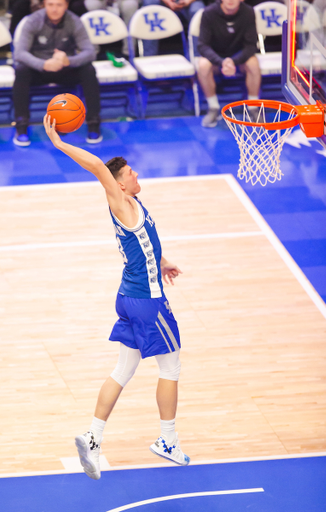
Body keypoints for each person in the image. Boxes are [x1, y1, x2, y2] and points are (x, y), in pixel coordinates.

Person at [43, 114, 190, 480]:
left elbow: (146, 244)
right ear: (119, 185)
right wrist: (59, 143)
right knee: (170, 367)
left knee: (123, 369)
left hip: (128, 295)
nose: (136, 175)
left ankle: (93, 436)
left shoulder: (134, 206)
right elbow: (96, 165)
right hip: (146, 301)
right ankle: (167, 440)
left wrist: (163, 262)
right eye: (130, 174)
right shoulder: (120, 203)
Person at [13, 0, 102, 147]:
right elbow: (20, 53)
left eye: (59, 5)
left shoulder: (74, 21)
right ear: (44, 5)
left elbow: (90, 52)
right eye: (50, 4)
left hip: (65, 69)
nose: (54, 9)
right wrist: (43, 64)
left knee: (89, 69)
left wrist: (69, 61)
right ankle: (21, 126)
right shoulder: (33, 20)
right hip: (40, 70)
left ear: (66, 5)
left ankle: (93, 123)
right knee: (21, 70)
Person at [197, 0, 261, 128]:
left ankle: (253, 107)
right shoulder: (208, 13)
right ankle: (213, 108)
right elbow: (202, 45)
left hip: (239, 56)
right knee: (202, 65)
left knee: (254, 63)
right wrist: (222, 62)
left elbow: (251, 45)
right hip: (216, 57)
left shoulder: (248, 12)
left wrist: (233, 61)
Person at [141, 0, 205, 56]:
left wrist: (188, 1)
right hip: (161, 2)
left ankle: (195, 59)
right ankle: (149, 57)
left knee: (197, 12)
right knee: (150, 3)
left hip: (190, 2)